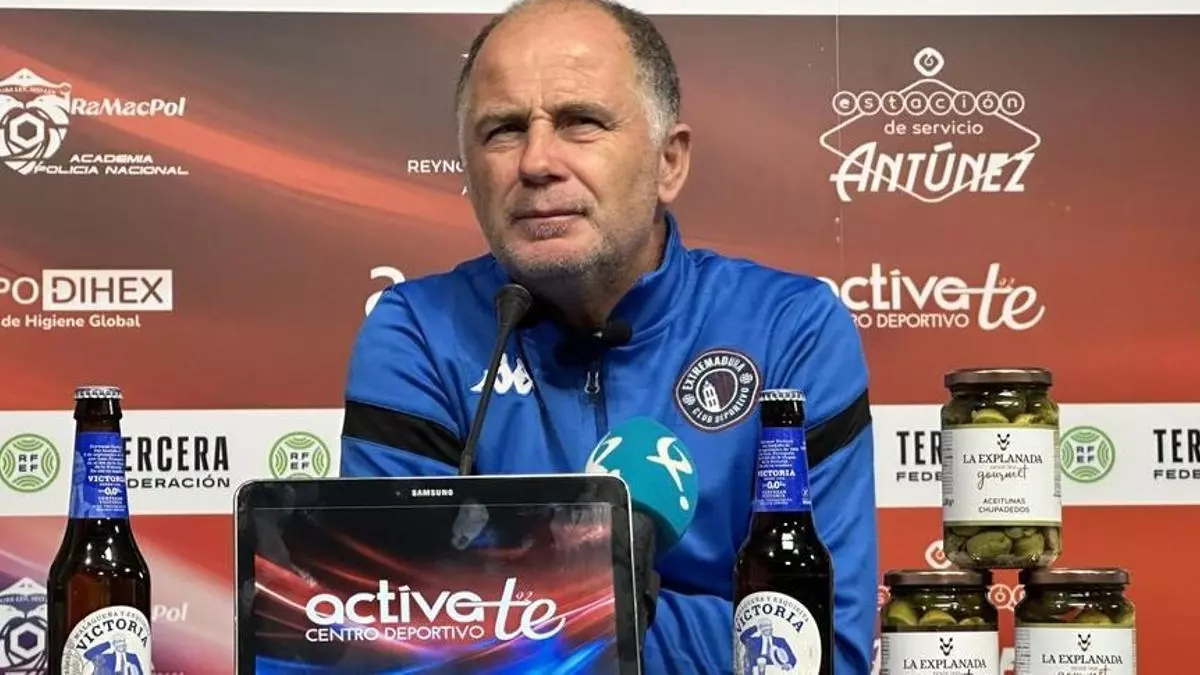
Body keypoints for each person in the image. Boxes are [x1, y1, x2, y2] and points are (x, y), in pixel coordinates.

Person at [339, 0, 879, 673]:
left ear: (668, 162)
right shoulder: (418, 331)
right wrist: (673, 609)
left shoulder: (789, 328)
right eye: (503, 130)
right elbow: (394, 640)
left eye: (581, 122)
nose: (537, 161)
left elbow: (822, 647)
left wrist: (528, 609)